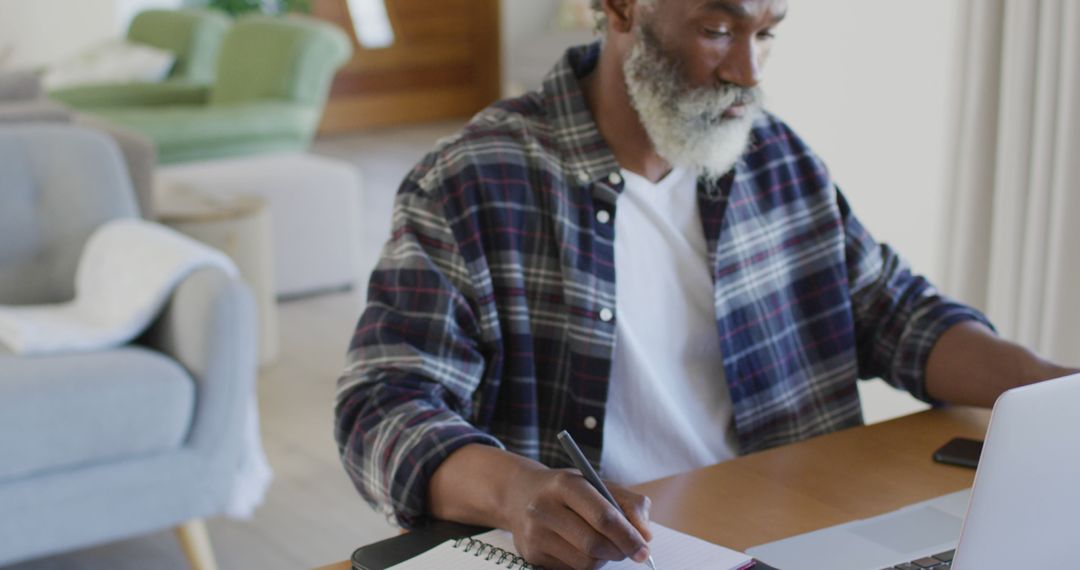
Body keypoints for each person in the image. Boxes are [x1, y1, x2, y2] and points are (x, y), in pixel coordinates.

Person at [334, 1, 1078, 568]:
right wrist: (517, 491)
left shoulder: (774, 156)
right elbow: (381, 408)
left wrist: (1054, 392)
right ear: (622, 6)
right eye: (718, 28)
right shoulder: (473, 180)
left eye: (768, 31)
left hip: (786, 535)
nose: (748, 72)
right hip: (614, 553)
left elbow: (895, 312)